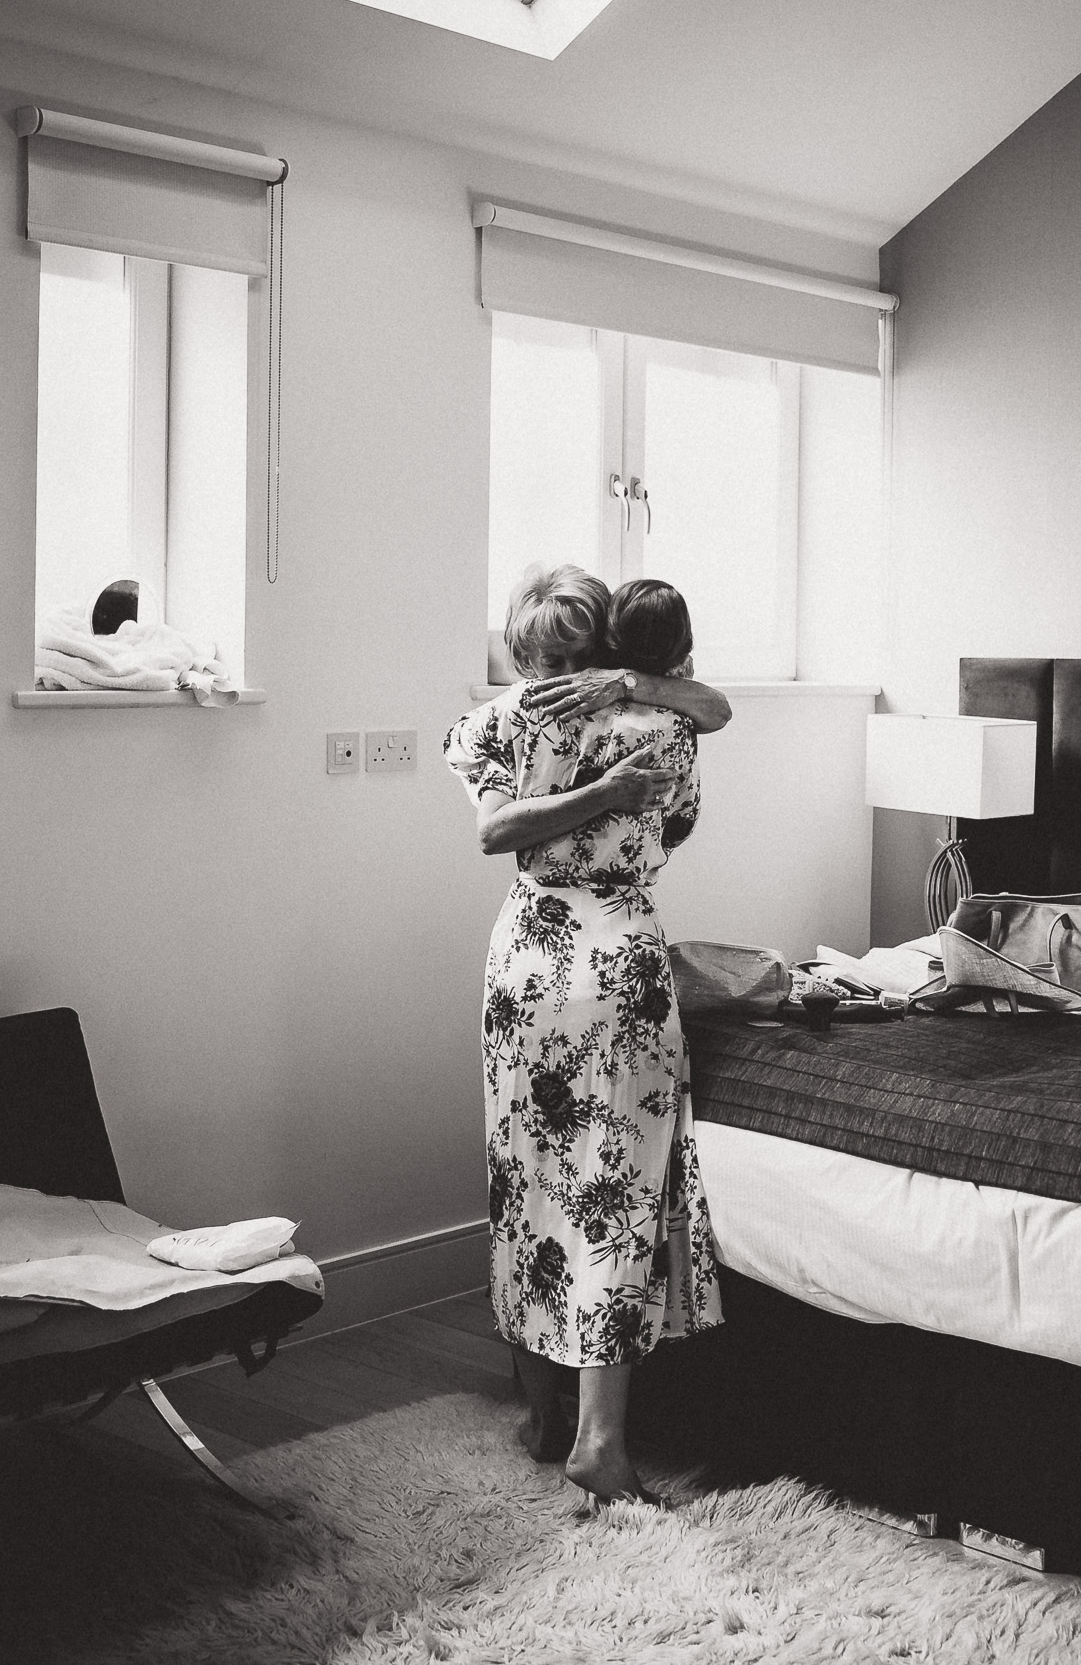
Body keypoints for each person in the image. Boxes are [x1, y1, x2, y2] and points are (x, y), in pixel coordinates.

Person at [439, 564, 727, 1510]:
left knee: (528, 1180)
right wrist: (609, 794)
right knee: (615, 1188)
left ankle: (542, 1417)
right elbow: (672, 819)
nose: (559, 665)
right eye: (551, 652)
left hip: (525, 955)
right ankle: (595, 1437)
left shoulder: (496, 722)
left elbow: (498, 834)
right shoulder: (665, 733)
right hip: (615, 959)